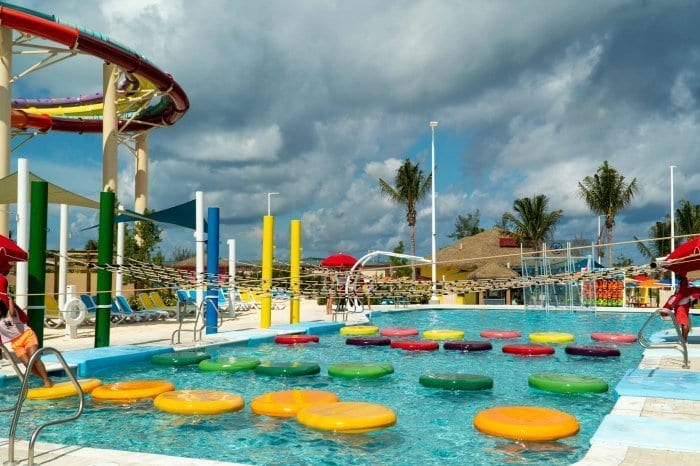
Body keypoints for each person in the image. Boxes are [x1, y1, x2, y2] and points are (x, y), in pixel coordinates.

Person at [0, 261, 52, 387]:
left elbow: (11, 311)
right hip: (15, 343)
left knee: (34, 358)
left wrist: (10, 298)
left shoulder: (9, 313)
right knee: (27, 364)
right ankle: (46, 379)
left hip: (26, 335)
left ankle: (46, 381)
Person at [662, 274, 700, 344]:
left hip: (681, 305)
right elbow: (680, 294)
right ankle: (683, 340)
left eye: (678, 274)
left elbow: (680, 294)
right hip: (682, 304)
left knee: (684, 323)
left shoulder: (684, 282)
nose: (677, 275)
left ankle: (684, 341)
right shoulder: (683, 282)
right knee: (684, 322)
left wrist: (673, 303)